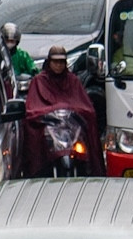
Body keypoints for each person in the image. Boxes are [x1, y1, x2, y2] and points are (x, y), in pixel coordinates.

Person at [24, 44, 103, 174]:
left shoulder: (73, 80)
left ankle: (88, 168)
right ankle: (36, 170)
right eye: (55, 62)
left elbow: (85, 106)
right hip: (49, 130)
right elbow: (32, 108)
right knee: (33, 136)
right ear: (49, 62)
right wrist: (46, 115)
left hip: (73, 129)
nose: (58, 65)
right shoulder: (39, 81)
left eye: (61, 62)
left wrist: (76, 113)